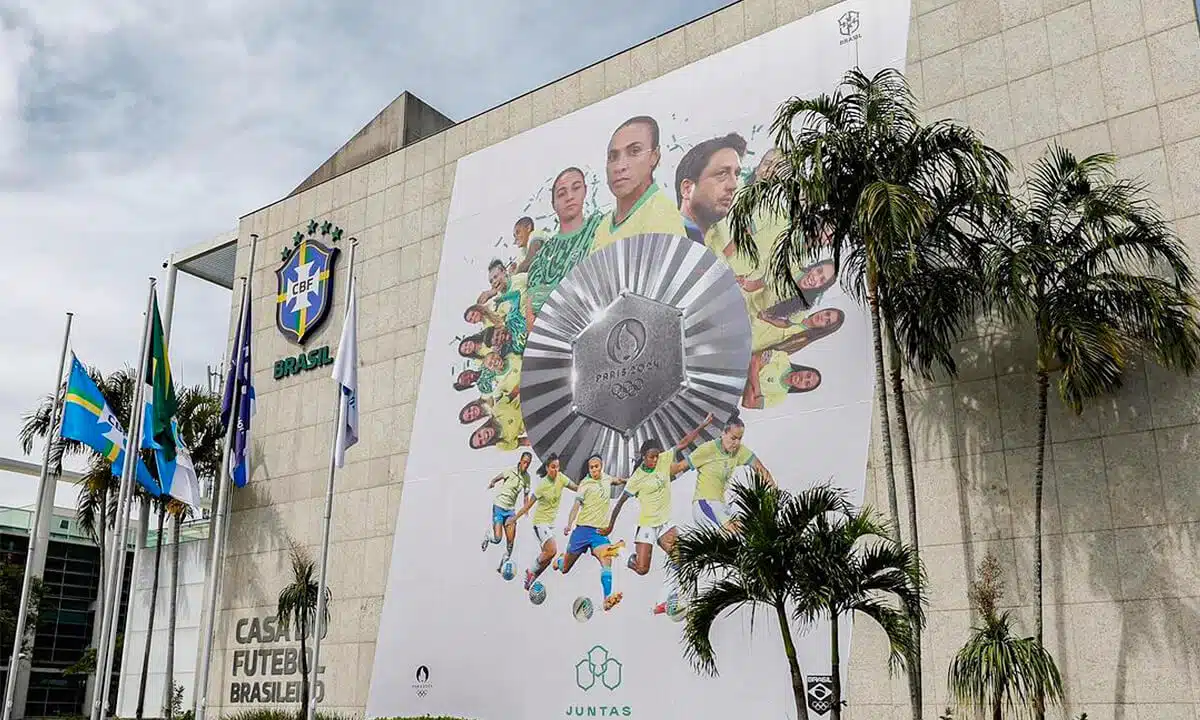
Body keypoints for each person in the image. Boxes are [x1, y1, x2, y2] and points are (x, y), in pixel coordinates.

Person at [604, 413, 714, 614]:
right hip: (647, 525)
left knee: (680, 559)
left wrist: (703, 425)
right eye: (651, 457)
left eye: (656, 456)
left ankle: (662, 602)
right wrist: (610, 525)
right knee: (642, 569)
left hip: (665, 523)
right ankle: (619, 550)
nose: (655, 460)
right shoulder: (636, 478)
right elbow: (620, 503)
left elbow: (683, 443)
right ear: (643, 457)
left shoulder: (664, 460)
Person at [591, 116, 686, 253]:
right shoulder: (603, 227)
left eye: (634, 151)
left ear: (654, 156)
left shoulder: (662, 215)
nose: (619, 166)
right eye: (613, 157)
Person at [556, 454, 629, 612]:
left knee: (607, 558)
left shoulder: (606, 478)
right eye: (592, 467)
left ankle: (607, 598)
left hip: (599, 532)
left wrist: (628, 481)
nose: (595, 469)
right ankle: (559, 561)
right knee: (564, 568)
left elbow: (617, 480)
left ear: (601, 466)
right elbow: (576, 506)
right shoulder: (585, 484)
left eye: (597, 466)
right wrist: (569, 524)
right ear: (588, 469)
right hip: (582, 531)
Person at [526, 167, 604, 315]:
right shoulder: (543, 256)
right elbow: (532, 313)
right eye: (562, 194)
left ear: (585, 191)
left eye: (576, 188)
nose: (570, 197)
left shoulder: (600, 227)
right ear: (553, 204)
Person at [686, 415, 773, 532]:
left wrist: (774, 496)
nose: (736, 443)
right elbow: (679, 466)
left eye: (740, 438)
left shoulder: (739, 450)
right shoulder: (708, 449)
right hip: (705, 502)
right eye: (733, 438)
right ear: (723, 434)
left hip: (721, 505)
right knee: (731, 531)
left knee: (746, 530)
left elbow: (761, 469)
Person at [511, 454, 579, 591]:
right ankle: (530, 570)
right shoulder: (542, 486)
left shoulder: (561, 478)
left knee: (548, 558)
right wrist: (514, 518)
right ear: (547, 468)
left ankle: (531, 578)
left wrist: (589, 485)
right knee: (552, 550)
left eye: (558, 467)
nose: (556, 470)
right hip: (540, 523)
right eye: (553, 467)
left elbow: (577, 488)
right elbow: (528, 505)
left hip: (550, 525)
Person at [675, 133, 747, 246]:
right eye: (722, 173)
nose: (733, 185)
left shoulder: (725, 246)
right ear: (687, 189)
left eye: (736, 175)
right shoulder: (663, 243)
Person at [481, 453, 533, 574]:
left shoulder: (527, 478)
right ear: (520, 461)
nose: (526, 465)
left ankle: (504, 562)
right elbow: (499, 477)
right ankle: (489, 537)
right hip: (499, 506)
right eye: (524, 462)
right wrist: (493, 482)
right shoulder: (511, 471)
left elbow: (526, 495)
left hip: (510, 511)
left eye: (528, 463)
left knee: (510, 540)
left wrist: (526, 510)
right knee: (498, 538)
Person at [742, 350, 823, 410]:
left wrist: (755, 370)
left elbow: (748, 403)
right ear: (804, 369)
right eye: (808, 375)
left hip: (730, 389)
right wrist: (757, 390)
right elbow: (754, 359)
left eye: (807, 383)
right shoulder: (782, 357)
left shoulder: (779, 398)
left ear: (803, 388)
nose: (803, 379)